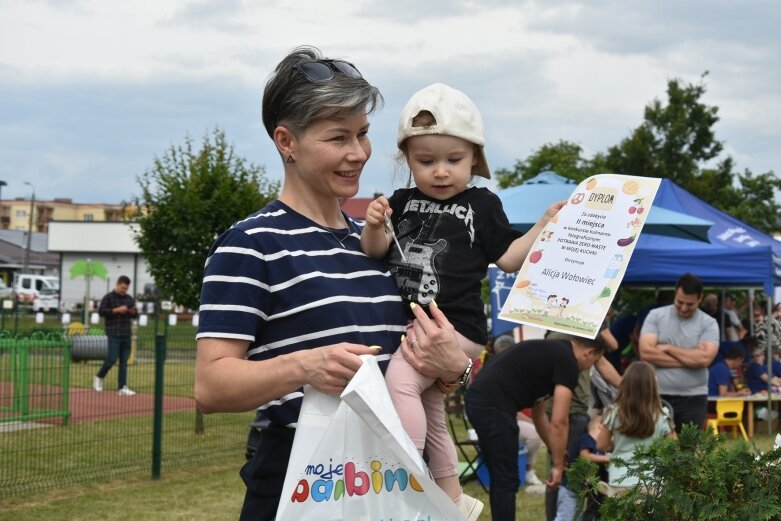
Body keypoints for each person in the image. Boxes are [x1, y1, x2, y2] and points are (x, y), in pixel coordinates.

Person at [193, 46, 471, 521]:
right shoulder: (251, 244)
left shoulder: (380, 243)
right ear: (287, 141)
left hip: (394, 479)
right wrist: (304, 366)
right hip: (305, 483)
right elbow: (211, 386)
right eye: (338, 137)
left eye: (363, 134)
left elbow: (413, 372)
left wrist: (452, 369)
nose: (358, 153)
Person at [360, 82, 562, 516]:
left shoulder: (482, 203)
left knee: (400, 382)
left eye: (454, 160)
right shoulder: (400, 202)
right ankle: (451, 500)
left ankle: (407, 477)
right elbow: (375, 252)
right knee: (432, 408)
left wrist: (543, 225)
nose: (440, 171)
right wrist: (374, 224)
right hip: (423, 324)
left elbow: (508, 259)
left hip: (456, 329)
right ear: (406, 160)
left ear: (475, 157)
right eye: (425, 161)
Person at [464, 335, 608, 521]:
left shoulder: (553, 354)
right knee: (506, 480)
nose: (590, 367)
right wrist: (557, 466)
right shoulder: (568, 362)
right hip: (492, 405)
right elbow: (559, 421)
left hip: (480, 401)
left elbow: (539, 416)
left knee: (503, 478)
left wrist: (557, 451)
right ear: (589, 353)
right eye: (595, 362)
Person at [638, 273, 719, 433]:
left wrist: (668, 348)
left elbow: (704, 359)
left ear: (700, 298)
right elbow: (646, 353)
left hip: (693, 398)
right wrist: (691, 357)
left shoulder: (709, 323)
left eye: (690, 304)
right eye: (680, 302)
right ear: (675, 292)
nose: (683, 308)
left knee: (688, 451)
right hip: (657, 396)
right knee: (654, 451)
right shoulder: (656, 316)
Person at [597, 361, 677, 492]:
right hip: (652, 481)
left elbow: (601, 445)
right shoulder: (662, 415)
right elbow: (672, 449)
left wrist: (619, 443)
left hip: (620, 480)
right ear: (653, 386)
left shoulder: (614, 413)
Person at [555, 415, 609, 521]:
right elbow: (585, 456)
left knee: (576, 517)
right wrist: (606, 458)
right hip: (569, 489)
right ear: (601, 426)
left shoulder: (598, 448)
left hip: (580, 491)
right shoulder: (586, 439)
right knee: (565, 517)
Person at [93, 275, 138, 396]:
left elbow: (134, 315)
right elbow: (101, 311)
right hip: (113, 333)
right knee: (111, 359)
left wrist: (133, 311)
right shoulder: (108, 297)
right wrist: (116, 310)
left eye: (126, 288)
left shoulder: (129, 299)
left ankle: (122, 387)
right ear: (117, 284)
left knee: (124, 361)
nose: (124, 290)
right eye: (123, 287)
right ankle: (99, 376)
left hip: (126, 333)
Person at [707, 346, 749, 413]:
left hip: (714, 402)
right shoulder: (722, 369)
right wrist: (738, 393)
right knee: (745, 408)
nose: (741, 364)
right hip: (714, 404)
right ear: (738, 359)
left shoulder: (722, 366)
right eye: (741, 361)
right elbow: (723, 394)